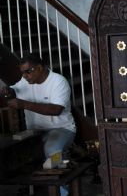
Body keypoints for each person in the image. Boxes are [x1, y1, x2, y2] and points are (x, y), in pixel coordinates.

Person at [0, 54, 76, 196]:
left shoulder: (58, 81)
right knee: (15, 149)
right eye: (22, 72)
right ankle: (31, 188)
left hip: (61, 129)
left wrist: (23, 104)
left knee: (52, 151)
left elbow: (56, 110)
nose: (24, 76)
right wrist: (8, 92)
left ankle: (62, 191)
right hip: (35, 131)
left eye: (28, 72)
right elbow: (13, 91)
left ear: (40, 68)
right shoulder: (25, 80)